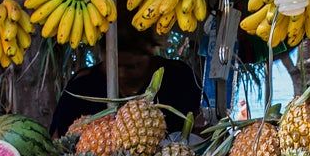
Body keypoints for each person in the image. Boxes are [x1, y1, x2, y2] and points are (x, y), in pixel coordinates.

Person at [50, 27, 202, 132]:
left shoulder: (179, 77)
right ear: (102, 55)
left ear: (151, 52)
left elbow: (201, 125)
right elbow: (57, 139)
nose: (122, 73)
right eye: (115, 66)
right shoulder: (81, 86)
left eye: (131, 66)